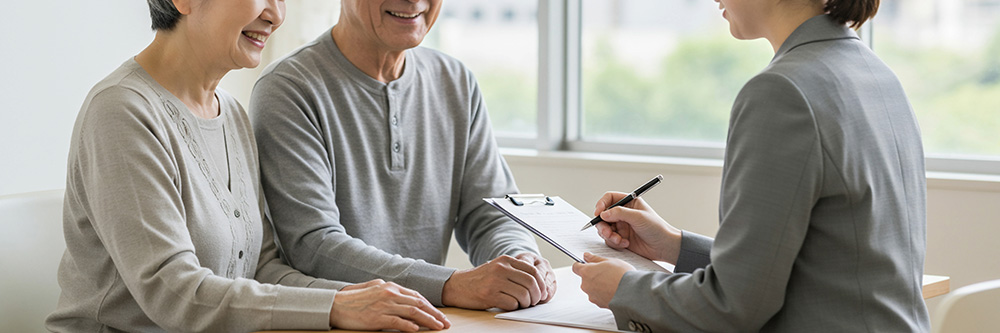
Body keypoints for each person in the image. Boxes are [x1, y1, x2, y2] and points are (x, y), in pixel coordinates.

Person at [45, 0, 450, 332]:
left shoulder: (233, 115)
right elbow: (172, 291)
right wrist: (336, 307)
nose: (275, 14)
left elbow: (261, 269)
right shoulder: (122, 111)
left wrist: (367, 300)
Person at [572, 0, 930, 331]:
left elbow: (733, 307)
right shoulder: (877, 74)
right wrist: (673, 246)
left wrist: (624, 288)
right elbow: (813, 271)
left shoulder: (781, 92)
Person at [249, 0, 556, 311]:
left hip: (429, 321)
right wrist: (450, 285)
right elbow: (313, 246)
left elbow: (491, 215)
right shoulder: (287, 89)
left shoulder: (456, 81)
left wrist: (520, 259)